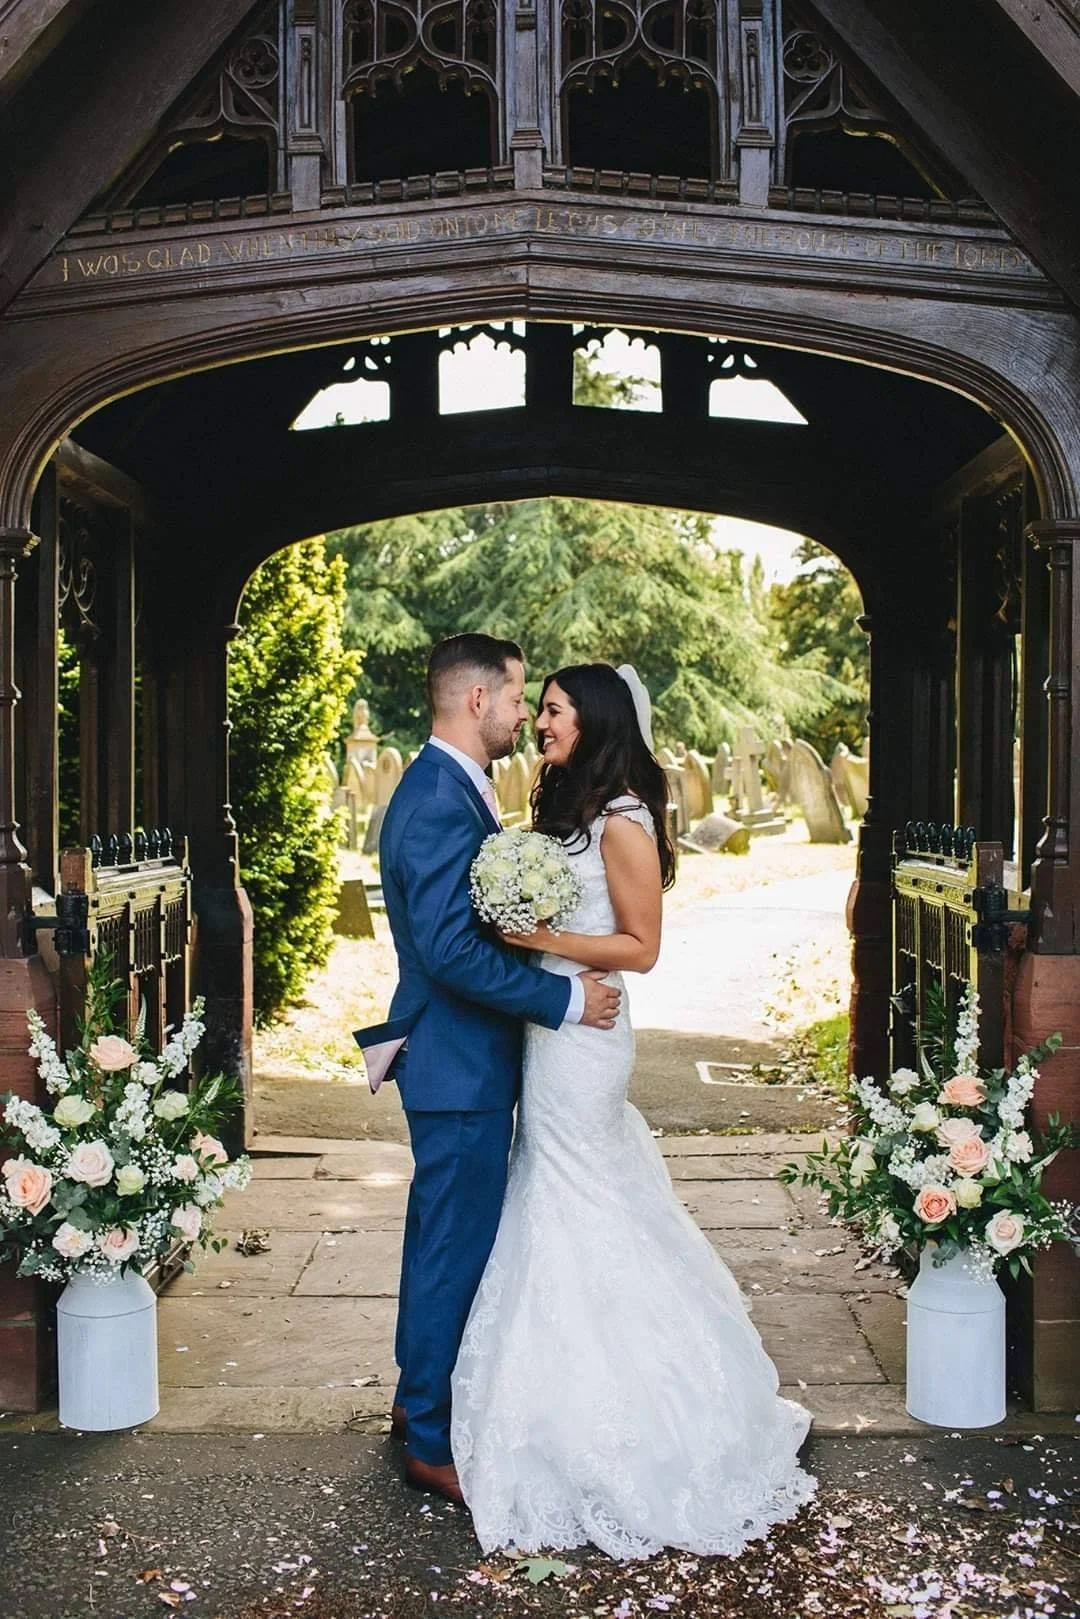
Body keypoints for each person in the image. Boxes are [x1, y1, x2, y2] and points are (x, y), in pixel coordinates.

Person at [450, 662, 816, 1559]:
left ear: (596, 719)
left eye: (555, 708)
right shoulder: (572, 808)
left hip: (588, 1037)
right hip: (553, 1026)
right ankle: (549, 1401)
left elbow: (642, 947)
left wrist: (534, 936)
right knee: (553, 1184)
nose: (540, 721)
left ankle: (629, 1418)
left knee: (580, 1191)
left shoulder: (622, 820)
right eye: (538, 708)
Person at [355, 635, 621, 1504]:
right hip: (457, 1062)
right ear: (477, 702)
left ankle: (413, 1396)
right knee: (450, 1246)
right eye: (516, 698)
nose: (522, 715)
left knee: (438, 1235)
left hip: (460, 1060)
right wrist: (566, 1002)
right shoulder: (436, 798)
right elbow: (448, 953)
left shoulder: (456, 788)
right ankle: (431, 1442)